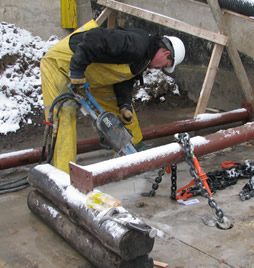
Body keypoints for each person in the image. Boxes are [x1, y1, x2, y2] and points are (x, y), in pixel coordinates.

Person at [40, 19, 185, 174]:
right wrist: (76, 71)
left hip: (90, 71)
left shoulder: (145, 57)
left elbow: (124, 78)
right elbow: (93, 38)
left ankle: (135, 150)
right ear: (166, 53)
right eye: (164, 65)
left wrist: (124, 104)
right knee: (64, 117)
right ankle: (64, 176)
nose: (160, 69)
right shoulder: (136, 43)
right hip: (62, 64)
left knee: (121, 112)